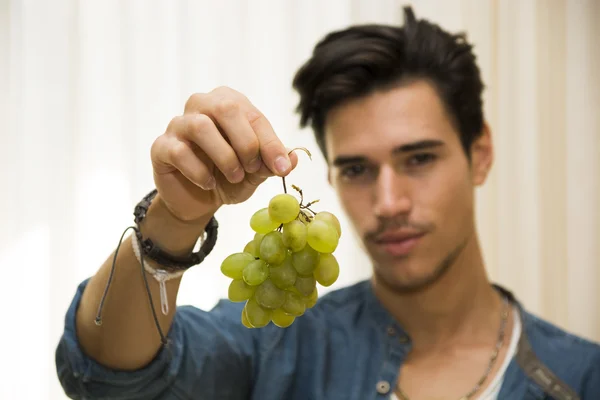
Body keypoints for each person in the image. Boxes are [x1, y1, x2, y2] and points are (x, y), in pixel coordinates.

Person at [55, 7, 600, 400]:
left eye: (419, 159)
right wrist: (174, 219)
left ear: (479, 155)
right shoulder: (279, 343)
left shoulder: (581, 377)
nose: (388, 202)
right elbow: (105, 376)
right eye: (357, 169)